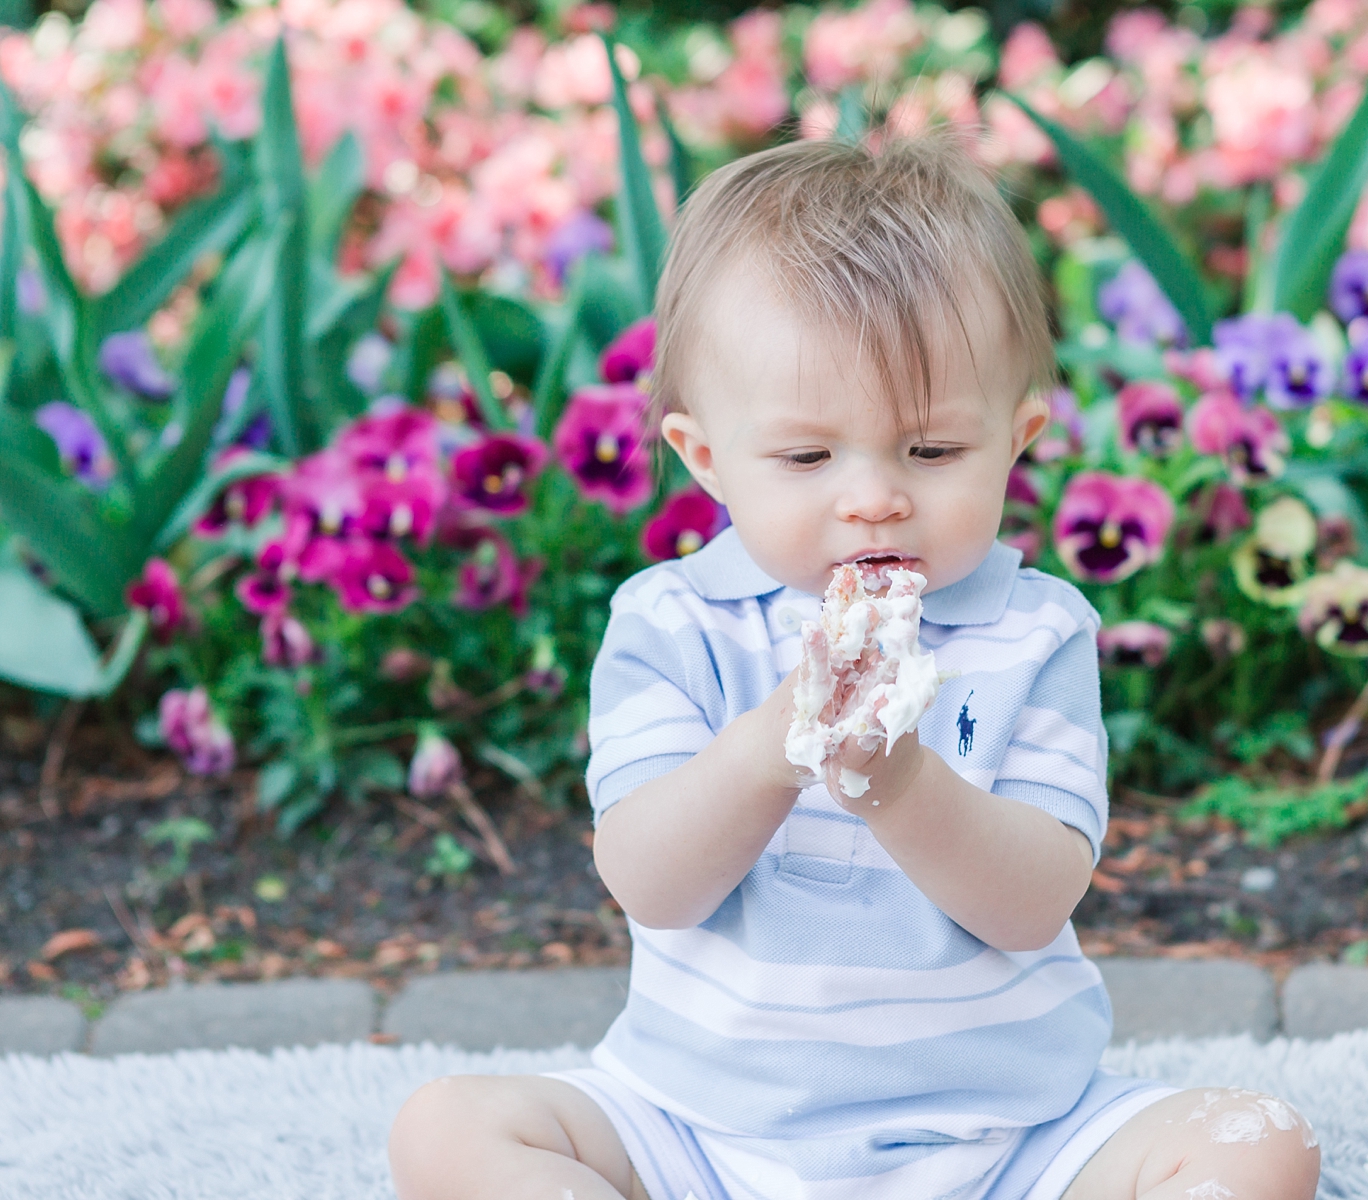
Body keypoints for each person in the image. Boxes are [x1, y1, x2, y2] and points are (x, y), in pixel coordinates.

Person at [389, 127, 1321, 1200]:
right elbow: (651, 883)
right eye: (805, 456)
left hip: (1010, 1134)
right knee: (446, 1129)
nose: (873, 495)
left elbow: (1032, 905)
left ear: (1017, 440)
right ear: (707, 458)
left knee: (1259, 1143)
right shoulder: (675, 623)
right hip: (699, 1129)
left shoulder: (1036, 631)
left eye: (931, 452)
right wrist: (775, 747)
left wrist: (901, 783)